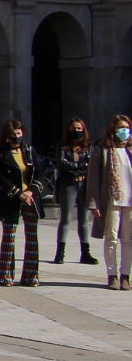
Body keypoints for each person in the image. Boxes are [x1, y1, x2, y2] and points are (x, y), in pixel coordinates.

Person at [0, 118, 42, 288]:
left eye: (19, 134)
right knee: (9, 237)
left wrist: (30, 191)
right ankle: (6, 275)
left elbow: (40, 174)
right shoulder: (0, 153)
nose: (17, 137)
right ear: (7, 136)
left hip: (30, 198)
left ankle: (31, 275)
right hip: (11, 199)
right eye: (13, 135)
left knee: (32, 237)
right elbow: (0, 177)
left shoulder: (29, 151)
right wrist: (18, 193)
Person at [85, 116, 132, 290]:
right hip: (111, 200)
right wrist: (94, 204)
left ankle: (126, 275)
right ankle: (112, 275)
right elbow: (93, 179)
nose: (125, 131)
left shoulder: (130, 149)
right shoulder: (102, 150)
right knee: (111, 238)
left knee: (128, 240)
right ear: (113, 130)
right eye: (121, 128)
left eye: (127, 128)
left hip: (130, 201)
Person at [54, 119, 96, 265]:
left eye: (79, 128)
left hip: (84, 185)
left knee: (84, 220)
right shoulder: (63, 146)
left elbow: (91, 166)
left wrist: (75, 167)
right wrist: (81, 165)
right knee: (65, 219)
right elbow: (61, 164)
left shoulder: (89, 147)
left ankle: (85, 253)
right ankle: (60, 253)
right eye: (73, 128)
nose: (76, 131)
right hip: (68, 184)